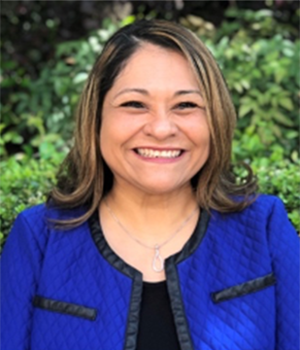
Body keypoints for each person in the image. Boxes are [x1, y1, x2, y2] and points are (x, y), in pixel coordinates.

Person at [0, 19, 299, 350]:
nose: (161, 128)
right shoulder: (38, 238)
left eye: (186, 105)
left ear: (215, 118)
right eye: (134, 104)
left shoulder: (264, 228)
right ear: (97, 117)